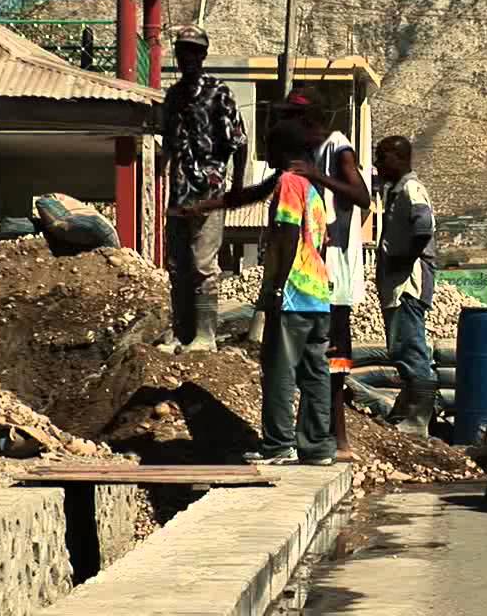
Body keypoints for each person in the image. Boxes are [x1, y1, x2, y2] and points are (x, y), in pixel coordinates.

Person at [188, 118, 334, 466]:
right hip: (317, 292)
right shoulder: (314, 190)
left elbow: (286, 233)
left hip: (295, 291)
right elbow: (323, 243)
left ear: (283, 149)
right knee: (315, 373)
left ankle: (278, 444)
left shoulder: (288, 183)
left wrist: (278, 285)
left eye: (269, 145)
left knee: (280, 368)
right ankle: (317, 447)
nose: (265, 152)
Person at [278, 87, 371, 462]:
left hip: (334, 268)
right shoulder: (306, 155)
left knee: (331, 357)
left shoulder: (337, 147)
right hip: (314, 270)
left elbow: (361, 196)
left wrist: (318, 175)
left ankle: (336, 436)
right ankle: (320, 435)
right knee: (316, 357)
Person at [158, 25, 247, 355]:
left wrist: (236, 188)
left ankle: (205, 334)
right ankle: (182, 333)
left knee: (202, 263)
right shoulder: (173, 97)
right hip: (179, 194)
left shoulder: (217, 92)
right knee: (178, 264)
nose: (188, 57)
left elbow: (239, 141)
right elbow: (167, 148)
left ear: (203, 55)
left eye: (194, 51)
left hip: (209, 192)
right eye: (183, 51)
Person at [374, 135, 438, 437]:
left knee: (411, 347)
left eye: (381, 157)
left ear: (398, 159)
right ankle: (407, 408)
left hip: (408, 285)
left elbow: (424, 226)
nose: (377, 164)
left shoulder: (411, 189)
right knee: (401, 346)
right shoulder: (395, 192)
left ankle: (419, 418)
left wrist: (405, 259)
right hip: (397, 283)